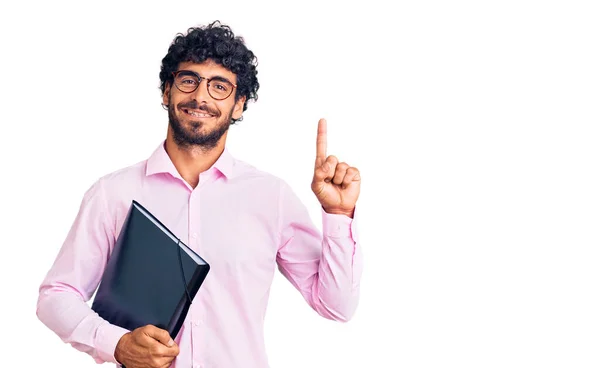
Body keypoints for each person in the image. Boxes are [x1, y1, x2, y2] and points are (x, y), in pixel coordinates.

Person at [36, 20, 363, 368]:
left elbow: (336, 306)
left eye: (219, 86)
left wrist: (339, 217)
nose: (201, 96)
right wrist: (116, 343)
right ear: (167, 92)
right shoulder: (112, 194)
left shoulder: (271, 198)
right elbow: (56, 297)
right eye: (188, 80)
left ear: (239, 105)